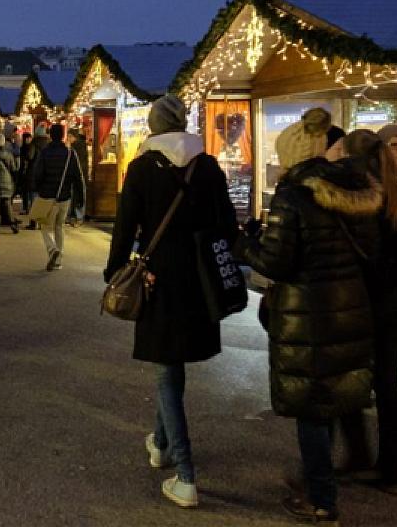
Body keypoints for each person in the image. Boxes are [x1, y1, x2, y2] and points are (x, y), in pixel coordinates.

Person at [239, 108, 377, 524]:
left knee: (312, 406)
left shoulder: (295, 196)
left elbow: (277, 262)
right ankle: (331, 476)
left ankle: (321, 498)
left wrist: (244, 244)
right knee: (332, 394)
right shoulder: (356, 189)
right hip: (350, 308)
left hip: (309, 315)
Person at [104, 94, 237, 510]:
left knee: (167, 369)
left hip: (157, 276)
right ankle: (160, 443)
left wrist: (115, 273)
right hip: (198, 279)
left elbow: (125, 226)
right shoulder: (209, 166)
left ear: (155, 126)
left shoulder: (143, 168)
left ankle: (186, 474)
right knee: (172, 366)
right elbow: (227, 226)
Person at [338, 128, 397, 495]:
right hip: (393, 301)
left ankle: (358, 454)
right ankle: (388, 468)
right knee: (387, 382)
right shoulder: (394, 198)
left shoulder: (356, 199)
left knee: (346, 376)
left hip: (360, 300)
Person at [31, 123, 84, 270]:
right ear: (62, 135)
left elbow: (38, 174)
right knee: (59, 226)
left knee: (46, 226)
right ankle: (58, 260)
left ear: (50, 135)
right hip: (64, 196)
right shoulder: (70, 153)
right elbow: (78, 177)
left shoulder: (45, 152)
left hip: (47, 195)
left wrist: (38, 188)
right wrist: (80, 199)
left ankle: (52, 249)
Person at [0, 133, 19, 233]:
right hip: (7, 182)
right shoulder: (8, 154)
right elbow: (13, 168)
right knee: (7, 204)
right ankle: (12, 224)